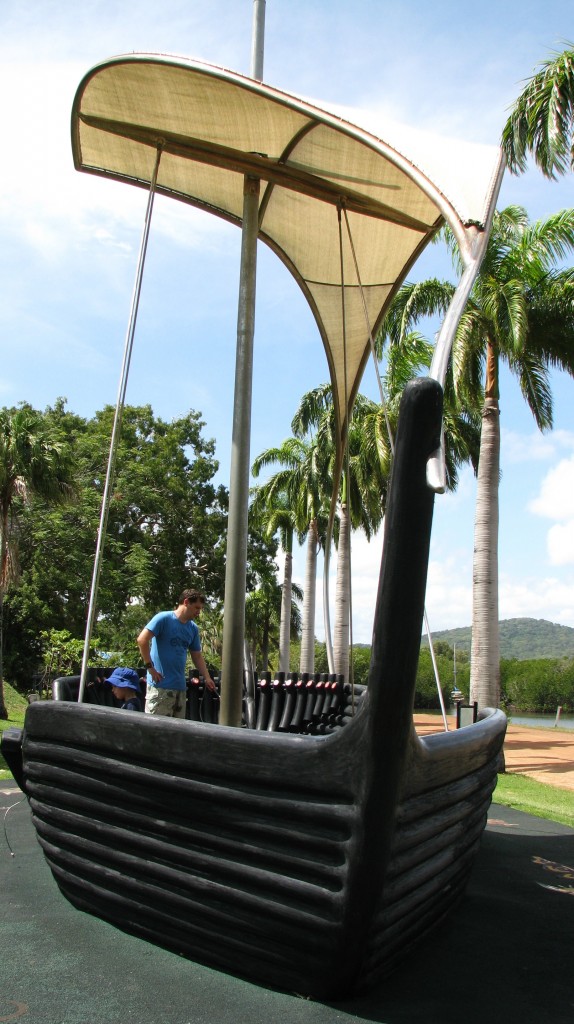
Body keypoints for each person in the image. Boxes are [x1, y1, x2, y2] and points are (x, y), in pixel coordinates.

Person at [137, 588, 216, 717]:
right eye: (196, 607)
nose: (198, 612)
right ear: (186, 602)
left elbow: (196, 655)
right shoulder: (163, 618)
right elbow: (142, 640)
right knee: (156, 730)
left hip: (180, 688)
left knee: (176, 733)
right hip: (160, 688)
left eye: (200, 609)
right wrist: (150, 668)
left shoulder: (193, 628)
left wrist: (207, 678)